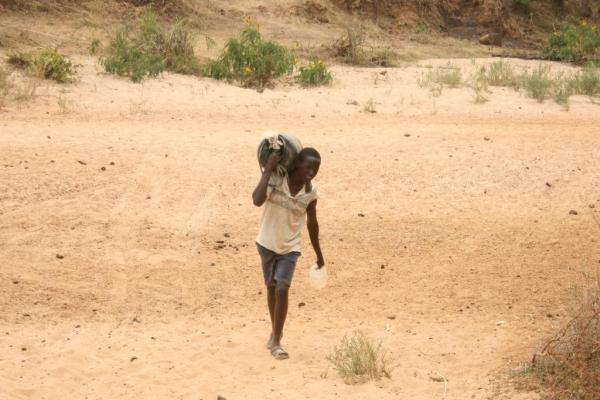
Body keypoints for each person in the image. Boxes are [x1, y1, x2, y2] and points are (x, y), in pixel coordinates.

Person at [252, 147, 324, 360]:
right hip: (266, 242)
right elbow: (256, 200)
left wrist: (319, 254)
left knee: (282, 288)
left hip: (290, 247)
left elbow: (312, 223)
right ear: (296, 164)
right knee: (271, 288)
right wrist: (268, 169)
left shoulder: (311, 192)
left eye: (316, 169)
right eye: (308, 167)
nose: (311, 172)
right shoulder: (275, 179)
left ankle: (276, 340)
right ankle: (276, 330)